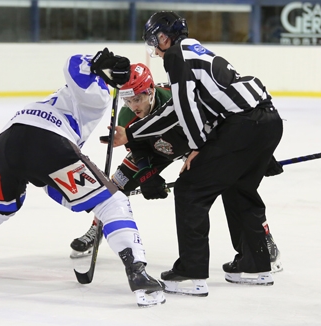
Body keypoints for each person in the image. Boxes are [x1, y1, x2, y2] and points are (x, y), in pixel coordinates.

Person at [0, 49, 166, 308]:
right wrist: (103, 63)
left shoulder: (62, 95)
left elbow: (51, 169)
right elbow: (73, 63)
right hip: (49, 146)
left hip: (6, 143)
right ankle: (138, 274)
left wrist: (102, 65)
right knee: (112, 202)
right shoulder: (98, 93)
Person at [112, 11, 284, 295]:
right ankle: (255, 265)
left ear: (163, 37)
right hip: (267, 121)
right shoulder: (193, 50)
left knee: (190, 190)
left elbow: (185, 110)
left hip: (243, 126)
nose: (154, 47)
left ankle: (191, 273)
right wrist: (131, 133)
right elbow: (180, 108)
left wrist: (197, 147)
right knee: (239, 187)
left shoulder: (176, 55)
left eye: (154, 40)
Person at [69, 63, 283, 282]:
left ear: (150, 90)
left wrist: (257, 153)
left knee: (235, 183)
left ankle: (262, 240)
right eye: (128, 100)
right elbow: (138, 149)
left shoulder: (176, 96)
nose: (133, 106)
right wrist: (148, 176)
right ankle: (97, 228)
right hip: (155, 150)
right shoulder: (126, 116)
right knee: (115, 186)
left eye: (138, 98)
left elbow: (219, 122)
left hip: (193, 145)